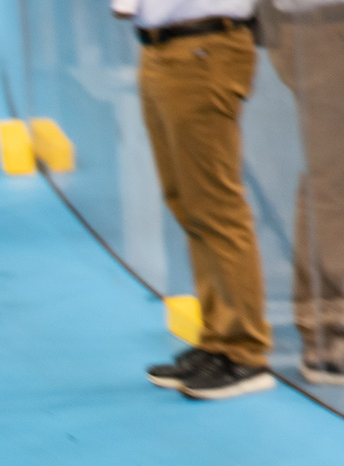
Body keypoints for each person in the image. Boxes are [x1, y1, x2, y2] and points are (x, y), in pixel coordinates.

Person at [117, 1, 277, 400]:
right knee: (187, 203)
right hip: (162, 49)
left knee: (215, 206)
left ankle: (245, 351)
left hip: (203, 49)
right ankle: (217, 339)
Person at [261, 0, 344, 386]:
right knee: (340, 180)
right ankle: (327, 337)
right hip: (323, 24)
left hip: (307, 25)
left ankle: (323, 326)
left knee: (332, 179)